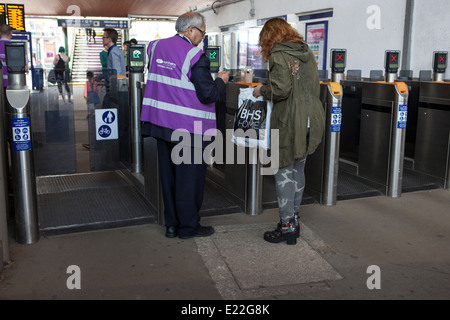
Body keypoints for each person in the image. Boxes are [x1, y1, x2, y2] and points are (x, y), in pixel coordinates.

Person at [140, 12, 229, 239]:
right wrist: (221, 80)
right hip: (189, 130)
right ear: (190, 30)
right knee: (189, 182)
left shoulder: (154, 47)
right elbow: (208, 94)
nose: (203, 37)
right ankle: (189, 228)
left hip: (161, 125)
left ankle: (172, 226)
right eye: (202, 32)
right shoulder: (195, 56)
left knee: (169, 179)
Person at [253, 18, 325, 245]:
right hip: (311, 118)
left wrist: (260, 90)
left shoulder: (278, 55)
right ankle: (293, 220)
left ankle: (286, 227)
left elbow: (281, 89)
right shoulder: (306, 52)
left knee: (283, 170)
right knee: (298, 168)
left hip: (289, 121)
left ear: (269, 37)